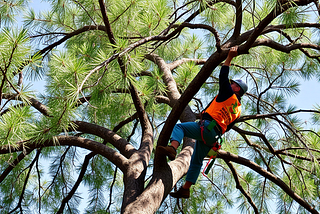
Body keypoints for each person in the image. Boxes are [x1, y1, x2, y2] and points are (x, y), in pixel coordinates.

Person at [157, 46, 248, 198]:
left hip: (206, 128)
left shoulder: (229, 94)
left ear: (237, 88)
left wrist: (230, 57)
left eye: (233, 84)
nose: (230, 84)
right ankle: (186, 189)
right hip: (214, 136)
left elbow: (223, 75)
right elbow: (228, 126)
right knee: (197, 161)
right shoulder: (237, 110)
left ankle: (173, 148)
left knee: (180, 128)